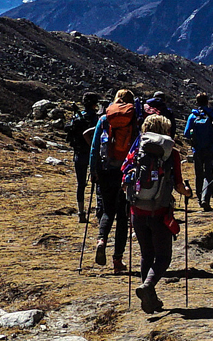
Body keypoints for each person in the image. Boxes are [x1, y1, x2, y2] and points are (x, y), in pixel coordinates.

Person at [125, 114, 193, 311]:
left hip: (137, 211)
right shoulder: (171, 153)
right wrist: (187, 192)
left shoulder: (136, 149)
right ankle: (148, 287)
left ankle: (149, 298)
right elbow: (179, 185)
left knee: (146, 254)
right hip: (160, 211)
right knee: (163, 256)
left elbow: (125, 176)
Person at [90, 89, 143, 272]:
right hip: (126, 173)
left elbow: (95, 147)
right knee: (123, 216)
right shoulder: (134, 120)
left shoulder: (104, 119)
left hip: (105, 171)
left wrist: (93, 170)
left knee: (107, 210)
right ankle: (117, 260)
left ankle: (101, 240)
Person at [62, 92, 103, 222]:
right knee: (97, 182)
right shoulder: (95, 118)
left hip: (79, 154)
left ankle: (81, 213)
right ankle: (98, 210)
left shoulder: (76, 117)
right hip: (92, 154)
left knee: (81, 184)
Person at [182, 93, 213, 211]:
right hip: (210, 148)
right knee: (209, 173)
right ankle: (206, 198)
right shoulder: (212, 113)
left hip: (197, 149)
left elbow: (186, 133)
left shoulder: (192, 116)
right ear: (207, 101)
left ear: (197, 102)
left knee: (198, 174)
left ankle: (200, 198)